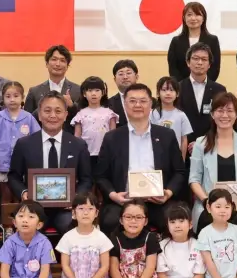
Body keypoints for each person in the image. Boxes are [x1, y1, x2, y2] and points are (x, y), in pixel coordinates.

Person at [96, 83, 187, 236]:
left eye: (143, 101)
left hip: (158, 201)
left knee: (176, 219)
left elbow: (179, 171)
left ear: (151, 104)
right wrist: (113, 195)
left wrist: (168, 193)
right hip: (123, 201)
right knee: (110, 221)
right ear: (125, 105)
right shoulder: (112, 138)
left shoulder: (166, 135)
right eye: (132, 101)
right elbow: (100, 175)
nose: (138, 105)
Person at [7, 91, 93, 235]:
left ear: (66, 115)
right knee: (27, 227)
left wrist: (76, 198)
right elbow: (14, 176)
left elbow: (86, 179)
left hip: (66, 209)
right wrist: (24, 193)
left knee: (71, 228)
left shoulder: (78, 145)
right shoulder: (24, 144)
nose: (53, 115)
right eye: (47, 111)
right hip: (34, 208)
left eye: (58, 111)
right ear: (39, 115)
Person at [188, 92, 237, 231]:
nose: (225, 115)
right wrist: (206, 202)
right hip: (209, 209)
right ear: (212, 114)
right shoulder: (201, 143)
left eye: (229, 111)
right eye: (220, 110)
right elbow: (194, 180)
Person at [55, 193, 111, 278]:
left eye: (90, 209)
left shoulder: (102, 238)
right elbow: (65, 266)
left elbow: (105, 266)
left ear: (96, 213)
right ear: (74, 213)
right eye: (81, 209)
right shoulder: (67, 237)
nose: (86, 213)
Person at [0, 202, 55, 278]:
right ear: (14, 222)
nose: (25, 220)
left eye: (31, 217)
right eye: (20, 216)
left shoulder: (44, 243)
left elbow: (45, 271)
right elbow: (4, 270)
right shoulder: (10, 242)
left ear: (39, 225)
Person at [107, 201, 160, 278]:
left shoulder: (150, 238)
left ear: (145, 221)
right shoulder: (115, 238)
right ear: (121, 220)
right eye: (128, 217)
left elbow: (150, 267)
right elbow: (113, 267)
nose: (133, 221)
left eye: (138, 217)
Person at [0, 81, 40, 188]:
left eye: (16, 96)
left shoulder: (29, 117)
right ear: (3, 98)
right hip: (2, 164)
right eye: (8, 96)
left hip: (24, 165)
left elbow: (36, 139)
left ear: (22, 97)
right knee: (4, 195)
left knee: (22, 192)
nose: (12, 99)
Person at [155, 204, 205, 278]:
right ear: (167, 226)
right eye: (172, 222)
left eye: (181, 221)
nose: (177, 225)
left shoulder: (197, 245)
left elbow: (200, 275)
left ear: (190, 224)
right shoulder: (162, 245)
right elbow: (161, 274)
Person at [179, 42, 227, 144]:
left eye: (204, 59)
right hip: (184, 146)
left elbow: (222, 120)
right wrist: (187, 142)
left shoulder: (219, 90)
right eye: (195, 58)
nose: (199, 62)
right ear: (188, 62)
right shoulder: (178, 88)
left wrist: (205, 142)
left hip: (211, 145)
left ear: (209, 65)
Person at [24, 44, 81, 128]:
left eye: (62, 60)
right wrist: (42, 106)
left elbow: (84, 120)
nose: (58, 64)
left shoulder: (78, 90)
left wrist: (72, 106)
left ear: (67, 66)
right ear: (47, 64)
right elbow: (27, 120)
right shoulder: (34, 91)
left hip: (69, 139)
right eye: (54, 59)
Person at [167, 1, 221, 83]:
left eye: (197, 14)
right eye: (189, 15)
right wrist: (182, 85)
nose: (193, 18)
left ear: (203, 18)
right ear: (184, 18)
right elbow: (173, 68)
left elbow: (215, 67)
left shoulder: (212, 40)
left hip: (206, 85)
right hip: (182, 87)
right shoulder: (176, 41)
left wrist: (204, 82)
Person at [72, 76, 118, 164]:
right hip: (85, 153)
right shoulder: (80, 114)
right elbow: (77, 137)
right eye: (90, 90)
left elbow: (113, 136)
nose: (93, 94)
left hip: (105, 153)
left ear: (103, 92)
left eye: (97, 90)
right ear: (84, 94)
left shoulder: (109, 113)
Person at [150, 76, 193, 159]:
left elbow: (184, 140)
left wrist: (182, 160)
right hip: (156, 156)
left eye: (171, 90)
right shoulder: (152, 113)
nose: (168, 93)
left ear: (177, 94)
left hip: (175, 156)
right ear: (158, 93)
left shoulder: (181, 115)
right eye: (164, 90)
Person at [107, 59, 138, 129]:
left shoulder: (150, 101)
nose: (125, 77)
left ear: (136, 77)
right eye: (121, 74)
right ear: (115, 79)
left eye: (129, 73)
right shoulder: (108, 104)